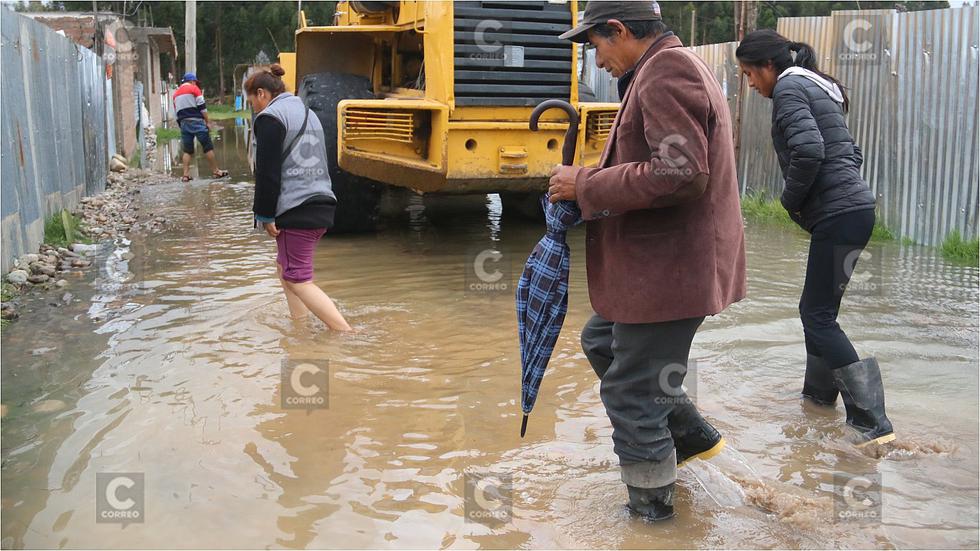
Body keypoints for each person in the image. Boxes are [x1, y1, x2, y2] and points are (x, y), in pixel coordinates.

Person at [552, 1, 746, 521]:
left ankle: (653, 520)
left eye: (595, 44)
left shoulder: (667, 70)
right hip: (660, 268)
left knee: (632, 393)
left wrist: (585, 183)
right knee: (599, 340)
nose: (597, 60)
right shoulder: (662, 67)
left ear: (618, 30)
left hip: (672, 269)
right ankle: (692, 440)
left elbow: (681, 173)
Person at [736, 30, 894, 446]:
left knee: (816, 315)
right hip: (852, 210)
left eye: (749, 73)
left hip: (840, 214)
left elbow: (809, 152)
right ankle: (819, 401)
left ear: (767, 66)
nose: (750, 84)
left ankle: (872, 423)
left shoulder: (789, 88)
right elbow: (850, 153)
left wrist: (790, 202)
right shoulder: (812, 86)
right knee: (819, 313)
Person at [246, 64, 352, 332]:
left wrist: (265, 215)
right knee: (285, 269)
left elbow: (268, 172)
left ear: (261, 94)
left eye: (252, 101)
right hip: (321, 203)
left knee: (297, 278)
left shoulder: (271, 117)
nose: (254, 108)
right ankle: (300, 328)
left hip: (297, 209)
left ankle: (346, 333)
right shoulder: (307, 112)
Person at [173, 72, 229, 182]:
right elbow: (202, 108)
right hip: (197, 121)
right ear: (192, 81)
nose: (195, 84)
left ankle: (185, 175)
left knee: (187, 150)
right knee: (207, 146)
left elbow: (176, 113)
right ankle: (216, 171)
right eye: (195, 82)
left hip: (184, 123)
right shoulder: (194, 89)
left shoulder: (175, 94)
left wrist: (181, 125)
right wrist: (207, 122)